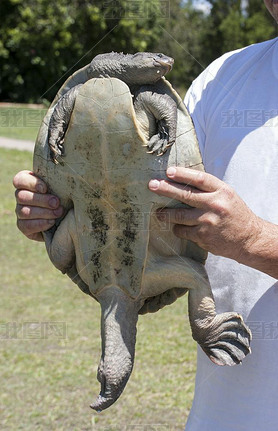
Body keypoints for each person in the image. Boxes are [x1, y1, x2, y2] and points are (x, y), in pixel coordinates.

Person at [13, 2, 278, 429]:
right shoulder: (220, 78)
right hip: (220, 410)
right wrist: (47, 210)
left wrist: (252, 239)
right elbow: (149, 181)